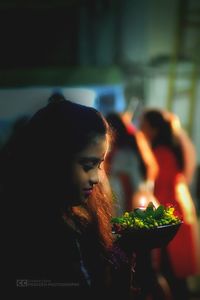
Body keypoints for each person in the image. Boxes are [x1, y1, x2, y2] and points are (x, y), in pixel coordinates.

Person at [2, 98, 133, 298]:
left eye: (100, 165)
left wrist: (125, 251)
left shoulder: (78, 219)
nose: (97, 178)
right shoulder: (25, 232)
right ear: (53, 159)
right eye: (87, 165)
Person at [139, 108, 200, 300]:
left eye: (143, 125)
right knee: (176, 276)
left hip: (170, 213)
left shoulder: (160, 152)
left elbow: (159, 190)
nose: (140, 128)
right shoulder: (171, 146)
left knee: (171, 274)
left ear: (154, 128)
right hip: (178, 209)